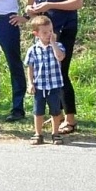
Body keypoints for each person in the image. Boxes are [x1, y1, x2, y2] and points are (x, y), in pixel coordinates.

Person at [26, 0, 84, 133]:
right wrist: (31, 10)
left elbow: (77, 3)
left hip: (64, 30)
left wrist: (50, 5)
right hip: (45, 33)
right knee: (48, 74)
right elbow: (38, 6)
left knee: (61, 73)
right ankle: (55, 115)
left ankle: (70, 119)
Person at [24, 15, 67, 144]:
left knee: (55, 111)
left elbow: (60, 57)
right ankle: (38, 133)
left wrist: (53, 43)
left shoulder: (58, 46)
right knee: (38, 111)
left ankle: (55, 133)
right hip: (40, 86)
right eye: (45, 32)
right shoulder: (32, 50)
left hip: (54, 85)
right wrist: (30, 83)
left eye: (50, 31)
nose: (48, 34)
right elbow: (30, 67)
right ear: (36, 34)